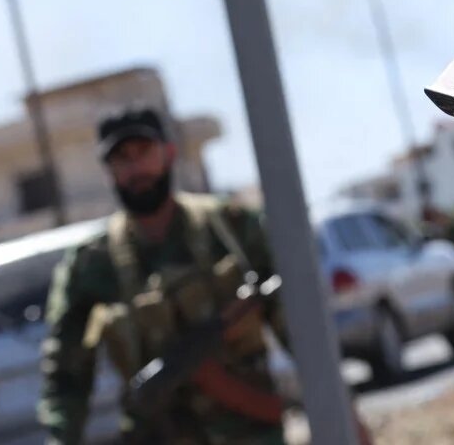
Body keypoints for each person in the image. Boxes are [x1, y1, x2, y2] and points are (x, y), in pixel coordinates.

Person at [39, 106, 288, 445]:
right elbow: (66, 375)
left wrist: (340, 407)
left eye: (144, 152)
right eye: (122, 159)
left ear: (168, 153)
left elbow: (296, 320)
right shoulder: (91, 264)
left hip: (249, 431)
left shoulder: (230, 227)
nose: (136, 167)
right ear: (109, 171)